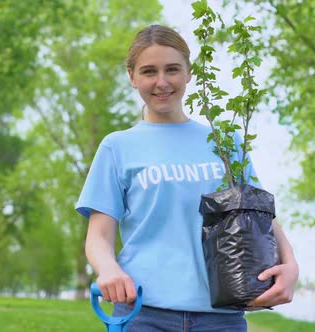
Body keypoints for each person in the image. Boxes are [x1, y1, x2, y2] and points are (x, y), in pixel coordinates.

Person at [76, 24, 299, 332]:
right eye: (149, 71)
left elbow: (260, 215)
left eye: (172, 69)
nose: (162, 82)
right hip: (143, 313)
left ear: (189, 72)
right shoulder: (117, 147)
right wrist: (108, 270)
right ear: (132, 77)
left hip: (221, 316)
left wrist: (290, 264)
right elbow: (99, 237)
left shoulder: (225, 143)